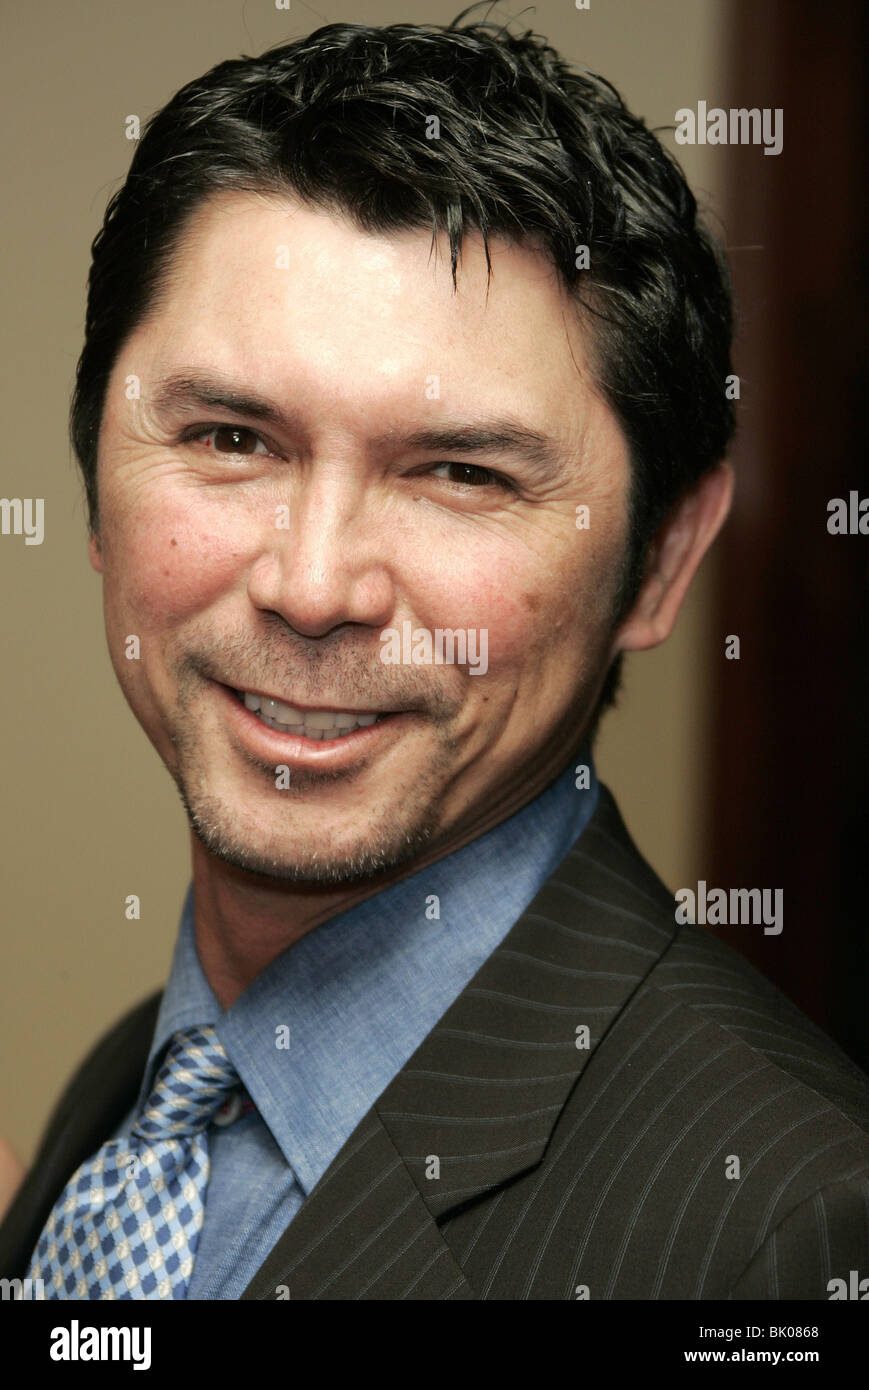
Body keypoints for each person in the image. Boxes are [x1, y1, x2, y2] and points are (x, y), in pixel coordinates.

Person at [2, 11, 868, 1301]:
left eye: (460, 473)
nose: (311, 586)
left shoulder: (784, 1230)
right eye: (233, 439)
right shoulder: (141, 1093)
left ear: (667, 559)